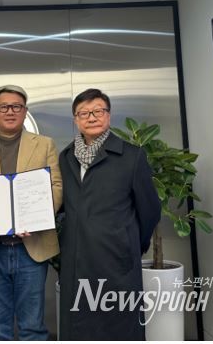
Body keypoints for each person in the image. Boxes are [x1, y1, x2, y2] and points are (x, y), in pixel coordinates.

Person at [58, 88, 161, 340]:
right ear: (76, 120)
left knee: (119, 326)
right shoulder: (66, 158)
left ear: (109, 115)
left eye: (98, 111)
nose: (91, 117)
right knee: (78, 327)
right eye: (84, 113)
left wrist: (130, 243)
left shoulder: (132, 156)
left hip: (116, 260)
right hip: (76, 260)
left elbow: (149, 210)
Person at [0, 84, 62, 340]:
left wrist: (39, 218)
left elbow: (56, 186)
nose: (10, 111)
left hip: (32, 246)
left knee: (32, 327)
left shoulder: (45, 145)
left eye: (16, 106)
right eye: (4, 106)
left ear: (25, 111)